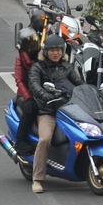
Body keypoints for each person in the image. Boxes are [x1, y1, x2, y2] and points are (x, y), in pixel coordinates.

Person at [28, 32, 83, 194]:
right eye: (52, 50)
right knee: (45, 139)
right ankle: (37, 178)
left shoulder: (67, 67)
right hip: (48, 111)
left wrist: (90, 91)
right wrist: (45, 95)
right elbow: (34, 85)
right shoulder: (37, 67)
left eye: (58, 50)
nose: (55, 53)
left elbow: (79, 83)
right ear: (45, 51)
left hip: (69, 110)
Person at [13, 27, 40, 159]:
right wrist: (28, 97)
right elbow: (19, 80)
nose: (33, 45)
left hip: (39, 92)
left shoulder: (41, 56)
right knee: (31, 108)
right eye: (30, 42)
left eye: (34, 41)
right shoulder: (20, 60)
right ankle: (20, 140)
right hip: (25, 95)